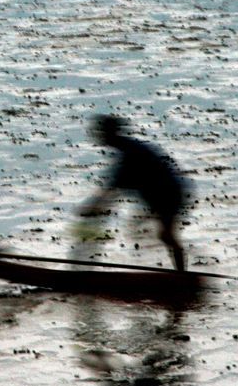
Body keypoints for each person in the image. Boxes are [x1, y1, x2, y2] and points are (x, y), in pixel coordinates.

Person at [80, 115, 190, 272]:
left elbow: (112, 189)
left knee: (165, 235)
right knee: (159, 234)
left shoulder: (130, 155)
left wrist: (94, 207)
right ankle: (181, 274)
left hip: (168, 195)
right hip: (160, 195)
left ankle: (182, 277)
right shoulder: (127, 149)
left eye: (101, 132)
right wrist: (97, 206)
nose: (98, 135)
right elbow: (113, 188)